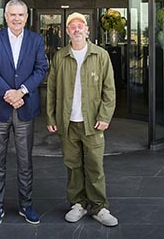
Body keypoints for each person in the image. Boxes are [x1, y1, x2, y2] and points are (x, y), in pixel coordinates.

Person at [46, 12, 118, 227]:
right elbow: (51, 90)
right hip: (67, 123)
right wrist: (51, 117)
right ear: (67, 31)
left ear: (87, 30)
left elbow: (109, 90)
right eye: (72, 26)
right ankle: (77, 204)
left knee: (95, 167)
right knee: (73, 166)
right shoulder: (60, 56)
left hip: (93, 122)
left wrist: (105, 116)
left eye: (80, 25)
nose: (77, 29)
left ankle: (99, 207)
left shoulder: (101, 55)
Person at [0, 0, 49, 228]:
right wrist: (8, 93)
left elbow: (41, 68)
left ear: (26, 17)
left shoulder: (36, 40)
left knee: (25, 161)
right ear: (6, 16)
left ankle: (26, 204)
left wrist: (21, 91)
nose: (16, 18)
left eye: (20, 15)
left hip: (24, 107)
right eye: (12, 14)